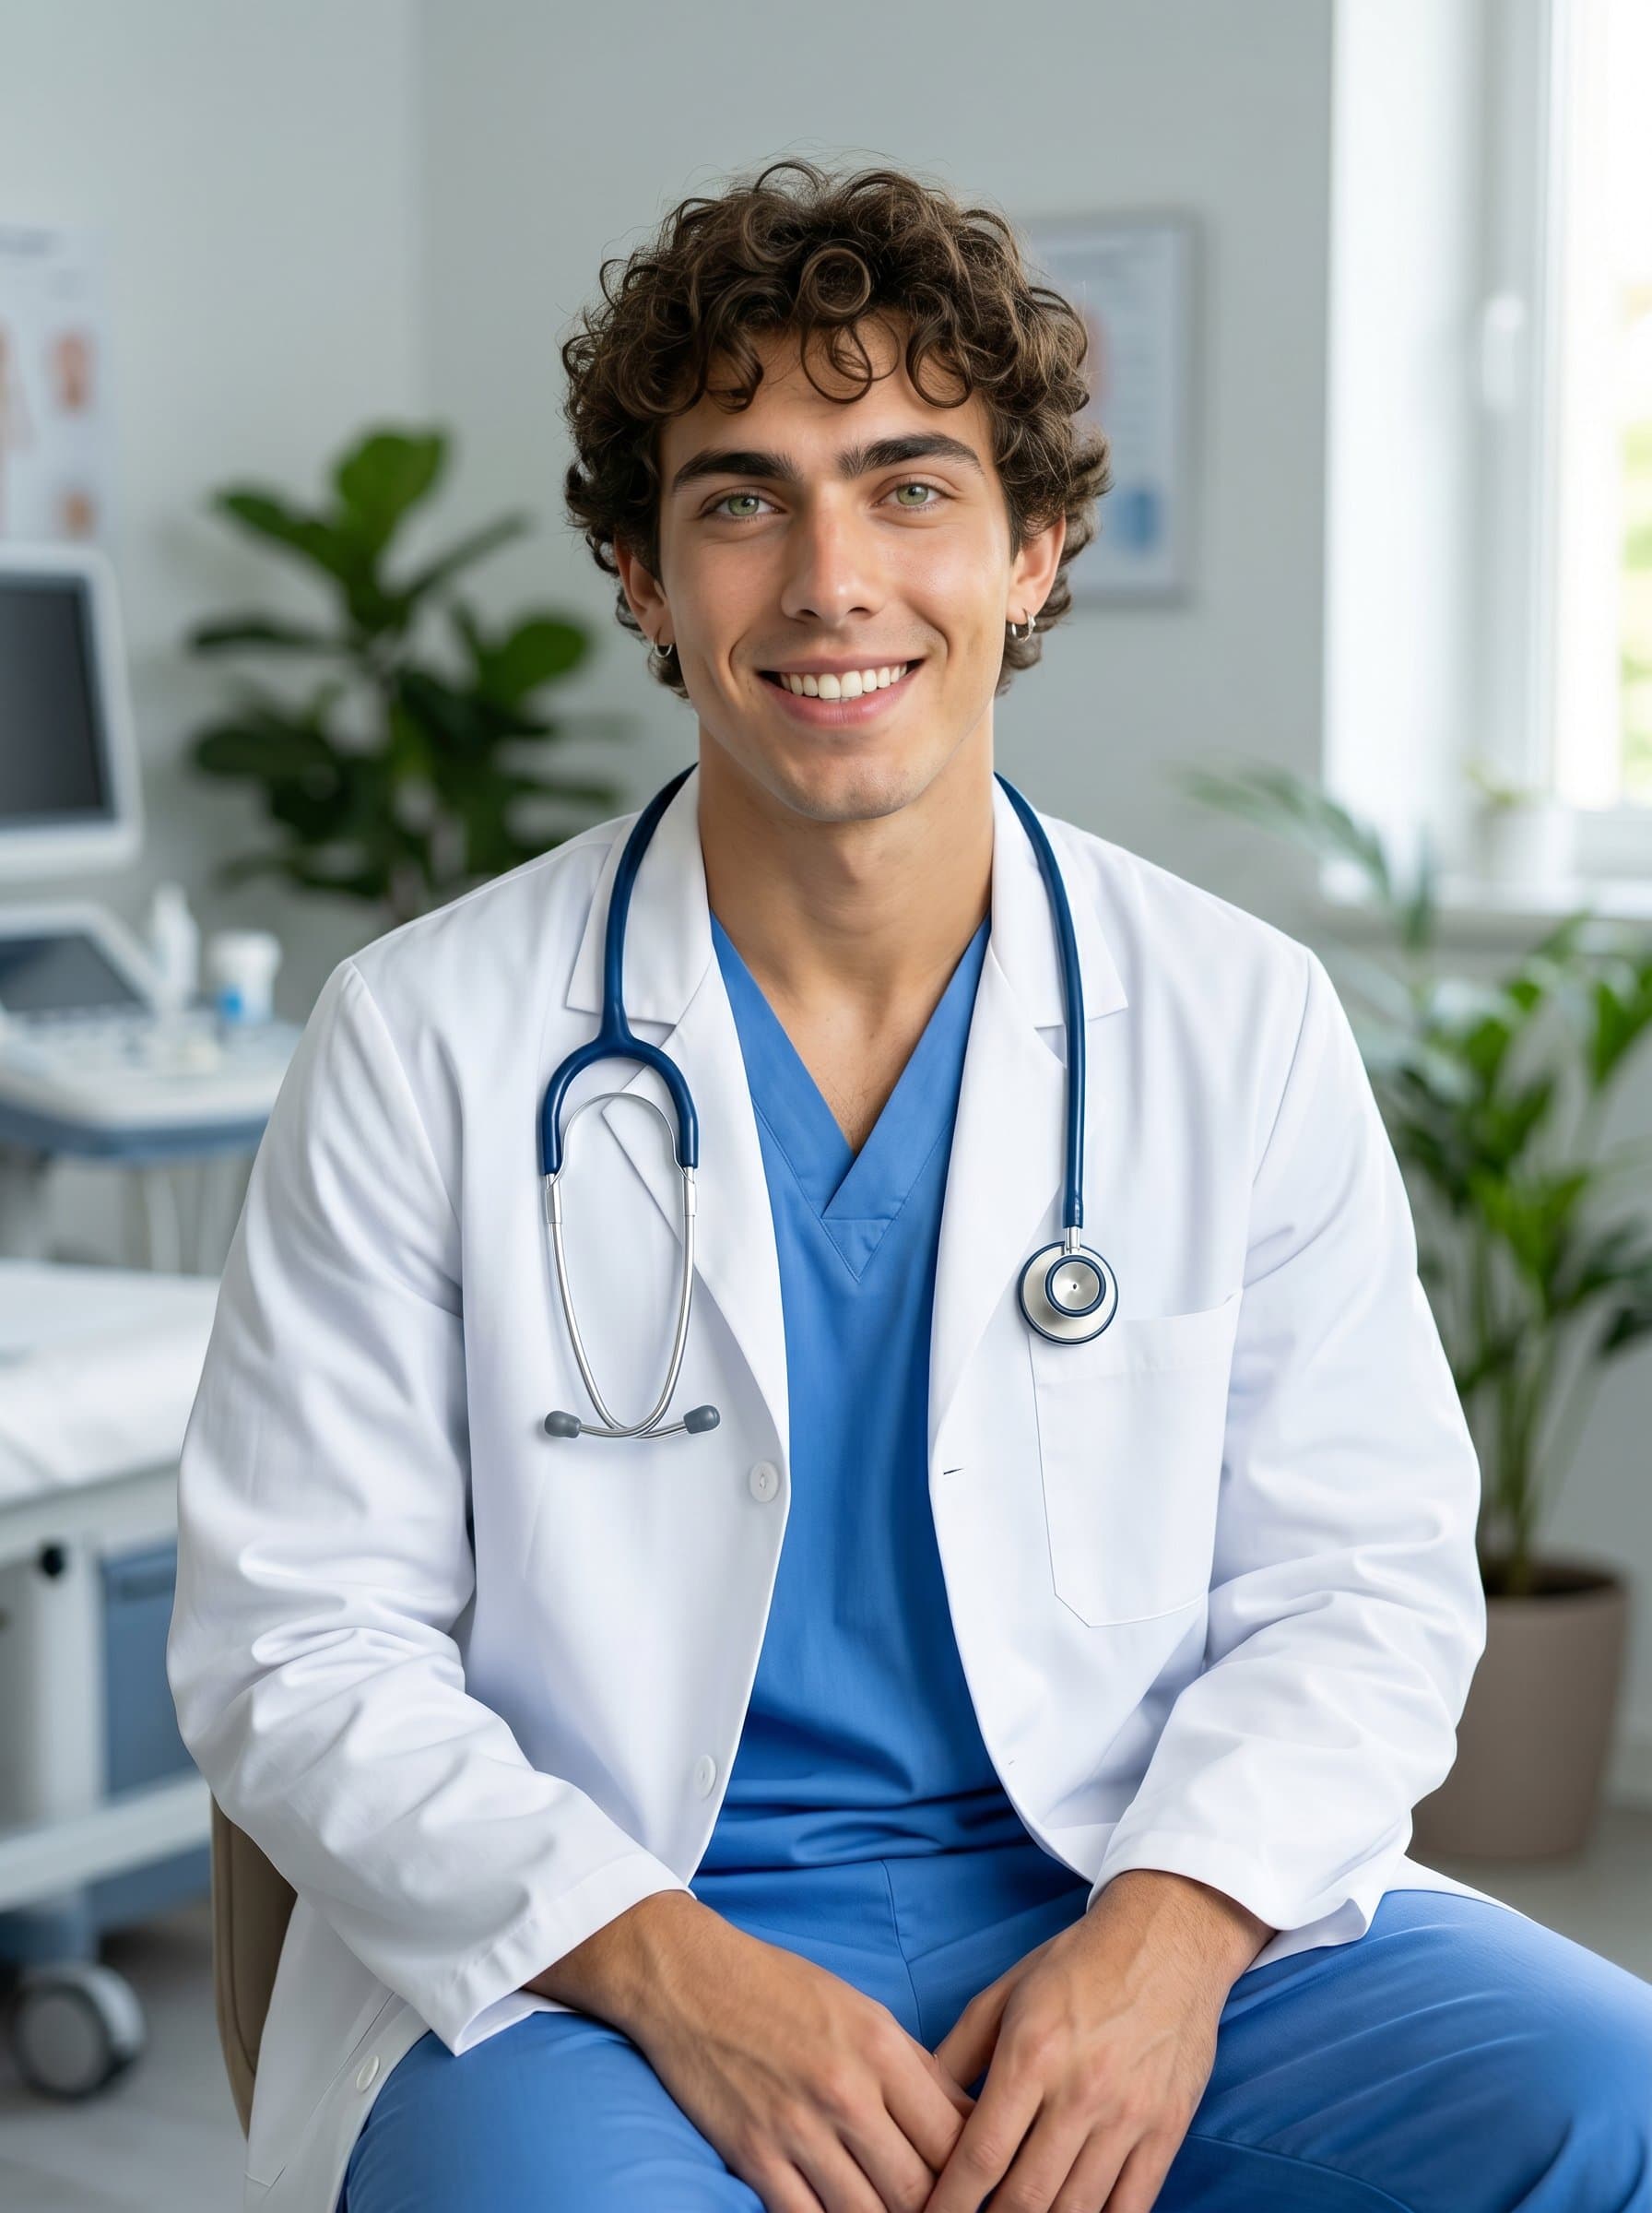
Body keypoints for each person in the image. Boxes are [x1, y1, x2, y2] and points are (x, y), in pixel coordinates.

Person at [168, 160, 1652, 2213]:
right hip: (610, 1947)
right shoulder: (424, 1039)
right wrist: (676, 1977)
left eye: (909, 487)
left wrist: (1170, 1941)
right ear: (638, 570)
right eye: (739, 497)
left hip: (1114, 1888)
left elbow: (1360, 1583)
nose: (826, 579)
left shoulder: (1230, 1018)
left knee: (1606, 2101)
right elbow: (298, 1644)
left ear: (1035, 551)